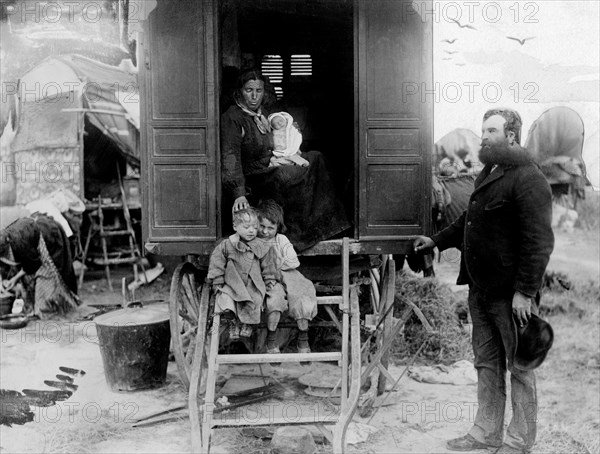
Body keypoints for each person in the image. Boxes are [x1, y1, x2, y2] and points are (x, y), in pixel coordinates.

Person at [413, 108, 554, 454]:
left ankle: (519, 441)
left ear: (511, 136)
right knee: (486, 364)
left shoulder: (528, 178)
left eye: (491, 131)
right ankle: (485, 432)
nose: (484, 136)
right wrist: (436, 240)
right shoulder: (489, 174)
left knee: (519, 367)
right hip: (481, 290)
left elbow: (539, 241)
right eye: (483, 129)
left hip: (511, 295)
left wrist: (525, 292)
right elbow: (468, 221)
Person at [220, 70, 350, 252]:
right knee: (287, 175)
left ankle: (327, 226)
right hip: (253, 176)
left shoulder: (261, 114)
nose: (254, 96)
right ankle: (296, 235)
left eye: (259, 91)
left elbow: (277, 140)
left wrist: (289, 129)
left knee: (316, 157)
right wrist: (238, 192)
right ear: (239, 92)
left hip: (270, 164)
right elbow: (230, 157)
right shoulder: (233, 118)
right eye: (249, 90)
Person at [206, 208, 277, 339]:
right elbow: (217, 263)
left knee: (255, 299)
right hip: (232, 282)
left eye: (255, 228)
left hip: (252, 282)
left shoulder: (262, 245)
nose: (251, 230)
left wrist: (269, 279)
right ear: (235, 226)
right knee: (226, 298)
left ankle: (247, 325)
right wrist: (217, 280)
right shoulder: (227, 245)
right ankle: (233, 323)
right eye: (246, 227)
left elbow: (268, 265)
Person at [257, 200, 317, 354]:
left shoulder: (281, 240)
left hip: (287, 272)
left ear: (278, 228)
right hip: (267, 276)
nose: (265, 231)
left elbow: (293, 261)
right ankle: (271, 340)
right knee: (274, 297)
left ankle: (303, 338)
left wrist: (277, 261)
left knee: (302, 293)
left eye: (270, 228)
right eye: (262, 226)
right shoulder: (254, 241)